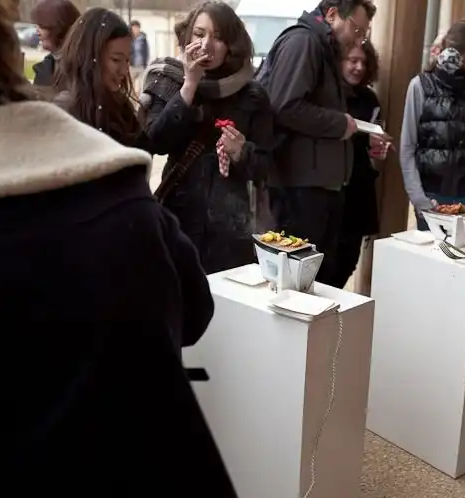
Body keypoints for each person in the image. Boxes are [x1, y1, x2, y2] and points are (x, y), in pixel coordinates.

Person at [0, 1, 254, 498]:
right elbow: (192, 309)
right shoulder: (107, 173)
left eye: (124, 59)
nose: (121, 70)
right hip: (154, 493)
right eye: (115, 60)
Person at [140, 1, 275, 275]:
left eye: (218, 37)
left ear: (232, 45)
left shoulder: (252, 95)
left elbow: (266, 166)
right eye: (199, 34)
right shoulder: (170, 79)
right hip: (179, 222)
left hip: (230, 233)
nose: (206, 45)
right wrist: (189, 86)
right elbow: (155, 142)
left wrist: (240, 152)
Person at [257, 0, 377, 288]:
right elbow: (285, 106)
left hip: (318, 187)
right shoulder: (304, 42)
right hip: (299, 188)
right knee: (295, 285)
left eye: (364, 34)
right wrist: (340, 123)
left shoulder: (323, 48)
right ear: (332, 15)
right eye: (356, 30)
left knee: (317, 282)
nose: (358, 40)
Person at [400, 20, 465, 231]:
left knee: (464, 253)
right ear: (455, 55)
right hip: (431, 196)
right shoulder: (420, 86)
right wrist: (420, 199)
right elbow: (407, 147)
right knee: (431, 251)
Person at [325, 41, 387, 289]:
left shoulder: (369, 99)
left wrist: (377, 146)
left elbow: (375, 135)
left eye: (363, 62)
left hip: (358, 189)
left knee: (348, 261)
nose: (359, 67)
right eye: (353, 61)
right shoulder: (327, 95)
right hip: (330, 188)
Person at [55, 8, 150, 151]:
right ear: (89, 56)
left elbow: (146, 149)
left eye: (127, 60)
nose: (124, 71)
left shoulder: (121, 108)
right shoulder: (64, 113)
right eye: (116, 60)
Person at [29, 0, 81, 86]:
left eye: (42, 26)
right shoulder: (45, 68)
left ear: (59, 28)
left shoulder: (82, 69)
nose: (37, 32)